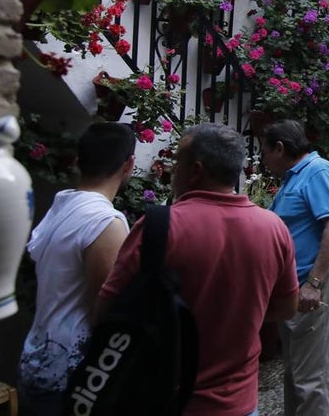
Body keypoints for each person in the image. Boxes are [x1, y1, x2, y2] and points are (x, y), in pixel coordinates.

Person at [99, 123, 300, 416]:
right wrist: (238, 313)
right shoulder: (273, 228)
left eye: (177, 160)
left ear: (195, 169)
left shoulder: (158, 228)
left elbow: (105, 313)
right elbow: (286, 307)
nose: (171, 168)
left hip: (165, 400)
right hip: (239, 403)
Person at [18, 122, 135, 415]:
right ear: (129, 164)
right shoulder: (105, 221)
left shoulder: (61, 207)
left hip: (35, 357)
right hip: (71, 373)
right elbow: (106, 308)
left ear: (78, 160)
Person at [262, 119, 329, 416]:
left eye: (265, 152)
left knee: (314, 379)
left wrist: (314, 282)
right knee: (297, 373)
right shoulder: (294, 176)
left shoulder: (317, 171)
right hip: (297, 287)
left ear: (280, 148)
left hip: (314, 285)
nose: (263, 159)